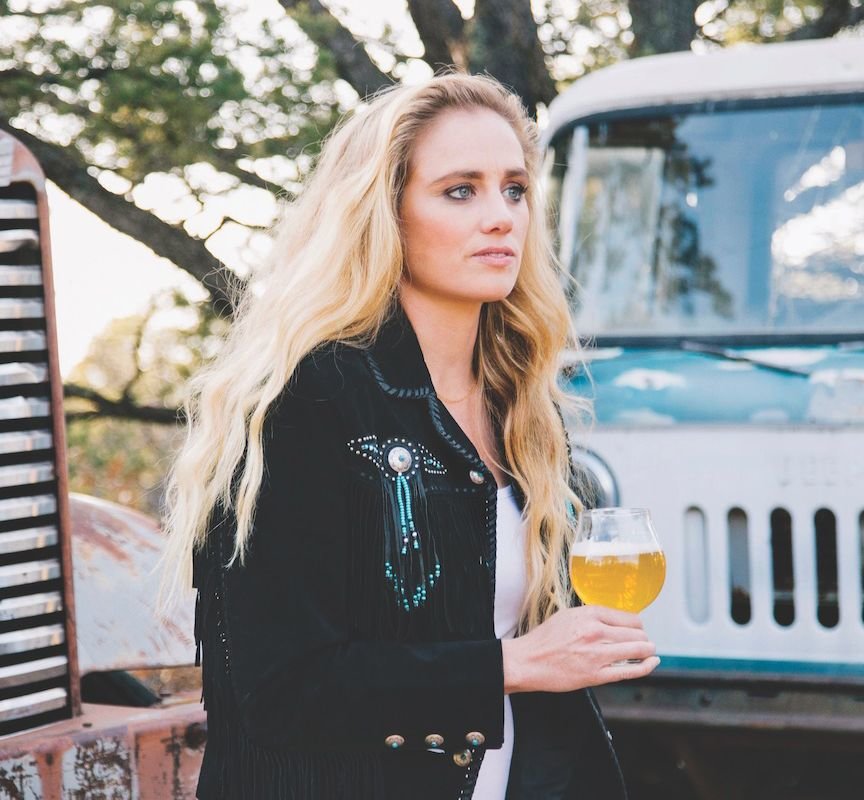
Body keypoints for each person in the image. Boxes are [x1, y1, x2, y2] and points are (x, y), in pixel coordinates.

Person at [160, 72, 659, 800]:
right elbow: (279, 687)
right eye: (460, 191)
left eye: (514, 190)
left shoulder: (523, 408)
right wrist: (513, 665)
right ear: (384, 214)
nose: (501, 217)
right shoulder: (305, 400)